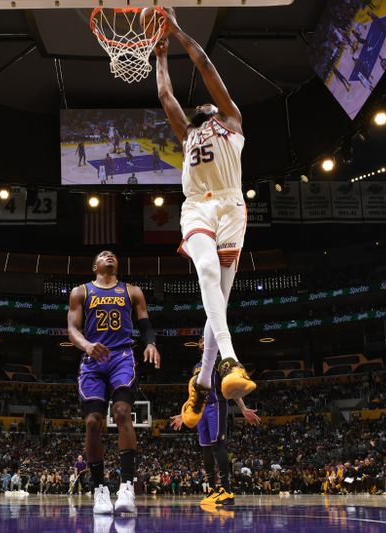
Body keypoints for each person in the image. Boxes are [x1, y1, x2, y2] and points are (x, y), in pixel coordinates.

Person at [153, 10, 255, 429]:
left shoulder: (232, 123)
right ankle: (231, 362)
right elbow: (165, 96)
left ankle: (202, 381)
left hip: (232, 207)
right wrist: (159, 55)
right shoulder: (187, 133)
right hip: (197, 205)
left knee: (221, 304)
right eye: (202, 106)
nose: (204, 105)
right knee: (208, 273)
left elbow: (205, 65)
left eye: (209, 104)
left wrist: (177, 32)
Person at [67, 250, 160, 514]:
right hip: (93, 359)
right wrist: (86, 345)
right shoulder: (80, 292)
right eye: (102, 254)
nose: (109, 255)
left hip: (121, 356)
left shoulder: (132, 291)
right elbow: (72, 329)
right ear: (95, 265)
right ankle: (99, 490)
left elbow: (145, 325)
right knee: (93, 422)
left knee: (121, 412)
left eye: (112, 254)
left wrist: (151, 344)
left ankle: (126, 487)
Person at [170, 337, 260, 506]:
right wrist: (184, 415)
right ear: (198, 345)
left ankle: (226, 490)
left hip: (217, 404)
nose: (204, 340)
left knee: (218, 444)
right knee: (205, 449)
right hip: (201, 409)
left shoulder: (221, 362)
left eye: (206, 338)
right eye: (201, 340)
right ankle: (212, 490)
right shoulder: (196, 367)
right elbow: (194, 394)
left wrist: (243, 408)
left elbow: (231, 387)